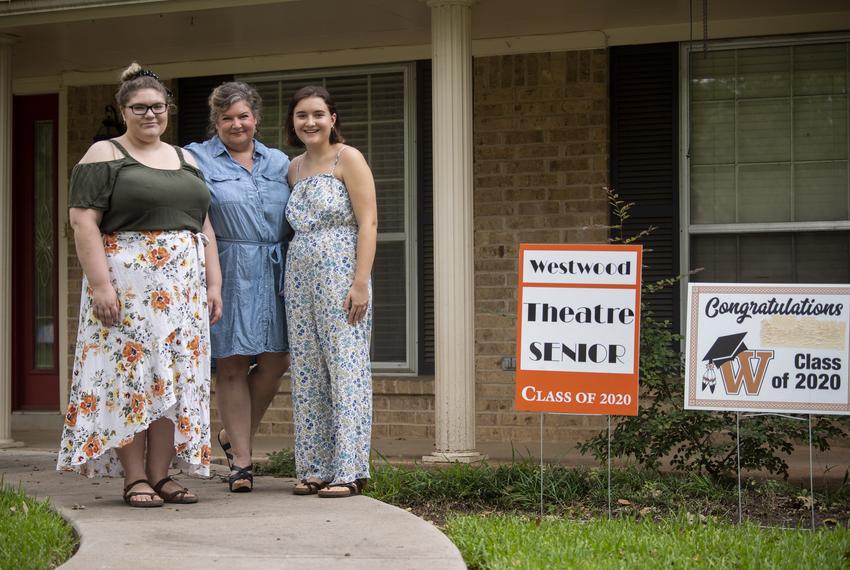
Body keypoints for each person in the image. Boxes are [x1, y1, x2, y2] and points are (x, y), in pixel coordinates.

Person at [57, 62, 222, 508]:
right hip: (127, 288)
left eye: (158, 106)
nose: (150, 115)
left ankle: (161, 475)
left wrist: (214, 283)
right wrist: (100, 286)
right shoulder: (103, 155)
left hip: (183, 293)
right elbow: (82, 222)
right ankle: (135, 479)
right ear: (123, 110)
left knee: (175, 378)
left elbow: (202, 224)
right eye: (139, 108)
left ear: (168, 108)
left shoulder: (186, 159)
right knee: (131, 378)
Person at [186, 82, 291, 493]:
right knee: (231, 363)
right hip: (226, 265)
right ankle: (242, 464)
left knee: (276, 360)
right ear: (216, 121)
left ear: (256, 119)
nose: (236, 124)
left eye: (243, 116)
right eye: (227, 117)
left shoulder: (280, 161)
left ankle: (232, 436)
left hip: (276, 268)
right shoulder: (196, 159)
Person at [284, 86, 377, 498]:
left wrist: (360, 282)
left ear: (332, 118)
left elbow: (369, 221)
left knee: (345, 368)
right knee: (306, 371)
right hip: (300, 273)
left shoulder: (348, 158)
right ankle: (315, 467)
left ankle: (349, 470)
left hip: (341, 270)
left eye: (318, 114)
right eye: (302, 115)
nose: (310, 122)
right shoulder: (293, 168)